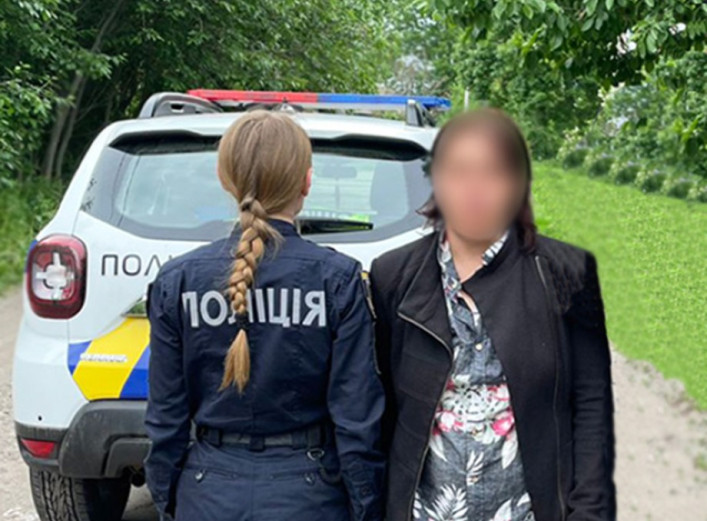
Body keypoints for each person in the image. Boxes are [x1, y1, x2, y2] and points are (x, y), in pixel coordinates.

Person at [369, 108, 616, 521]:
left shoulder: (567, 272)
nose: (474, 190)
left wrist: (588, 512)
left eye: (493, 173)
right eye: (459, 172)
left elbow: (591, 403)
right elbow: (382, 408)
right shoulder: (393, 274)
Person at [143, 110, 386, 521]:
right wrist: (366, 506)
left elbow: (165, 419)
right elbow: (357, 418)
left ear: (224, 179)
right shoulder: (337, 279)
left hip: (207, 494)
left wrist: (171, 502)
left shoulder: (177, 280)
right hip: (310, 496)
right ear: (307, 182)